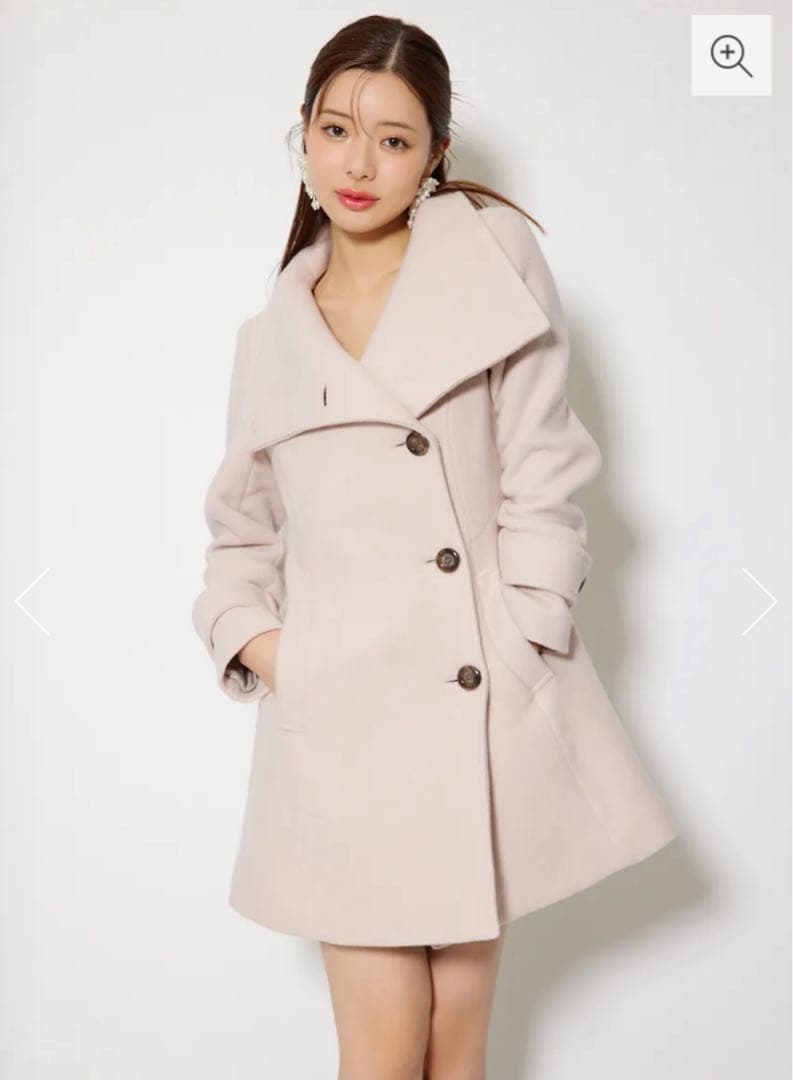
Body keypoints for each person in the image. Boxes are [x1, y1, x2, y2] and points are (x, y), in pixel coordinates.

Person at [191, 15, 680, 1079]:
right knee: (379, 1054)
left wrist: (522, 627)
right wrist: (276, 652)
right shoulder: (269, 340)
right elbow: (239, 532)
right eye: (335, 130)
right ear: (303, 138)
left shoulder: (491, 265)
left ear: (436, 154)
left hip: (476, 707)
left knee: (454, 1049)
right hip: (342, 728)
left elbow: (543, 468)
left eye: (394, 139)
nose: (359, 165)